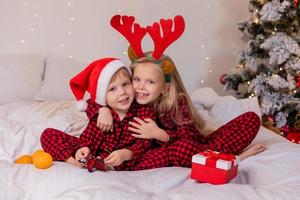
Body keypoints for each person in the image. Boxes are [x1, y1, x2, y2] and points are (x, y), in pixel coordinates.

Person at [94, 14, 266, 170]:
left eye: (150, 82)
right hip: (159, 152)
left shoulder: (177, 102)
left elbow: (190, 140)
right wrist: (102, 110)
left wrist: (159, 134)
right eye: (137, 79)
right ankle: (222, 160)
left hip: (192, 146)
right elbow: (100, 101)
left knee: (251, 118)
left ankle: (224, 159)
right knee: (172, 152)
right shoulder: (129, 98)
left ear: (165, 88)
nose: (140, 87)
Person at [40, 57, 156, 170]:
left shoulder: (144, 111)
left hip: (122, 158)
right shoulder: (99, 107)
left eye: (125, 84)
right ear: (102, 95)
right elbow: (89, 105)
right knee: (48, 134)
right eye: (112, 89)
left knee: (155, 155)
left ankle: (104, 164)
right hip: (89, 150)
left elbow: (144, 143)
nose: (122, 92)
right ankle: (75, 161)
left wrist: (126, 154)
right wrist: (102, 111)